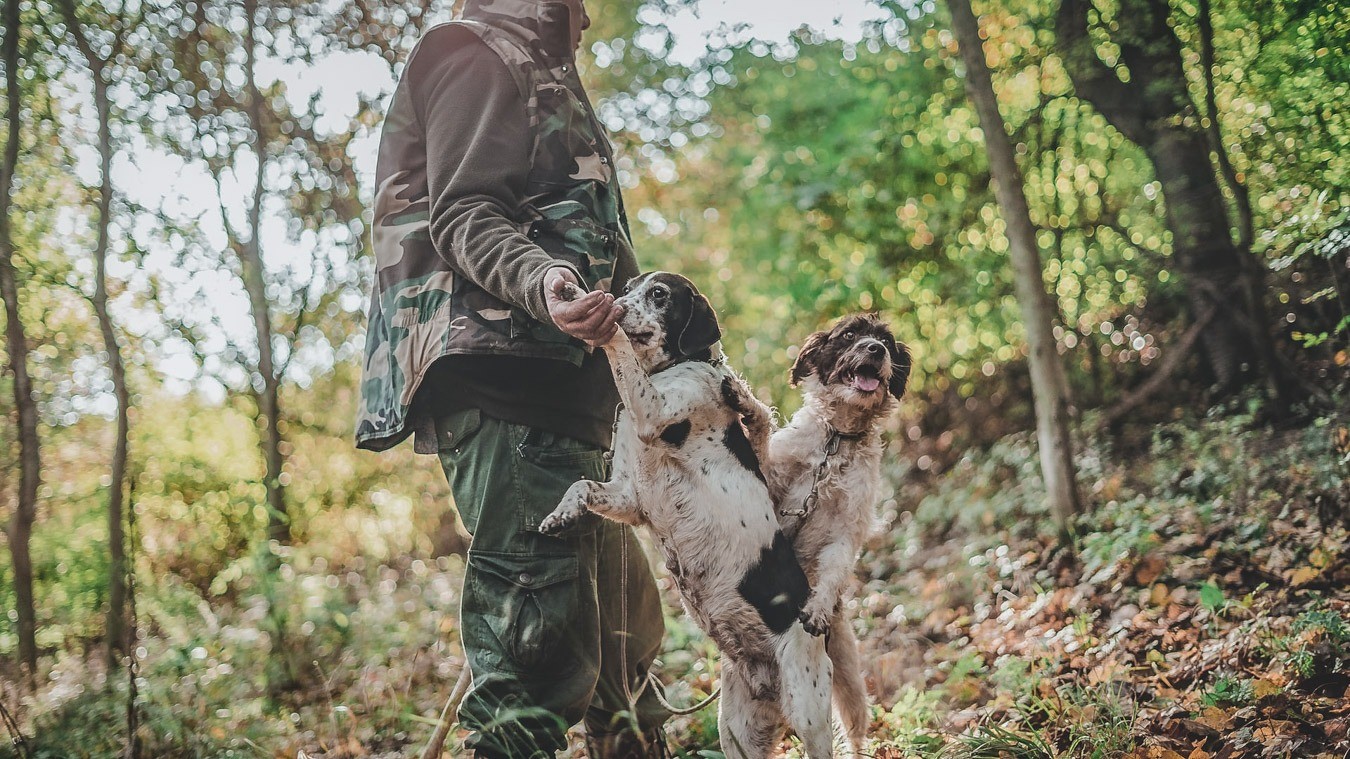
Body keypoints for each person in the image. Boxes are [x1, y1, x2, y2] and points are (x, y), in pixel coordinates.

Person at [354, 0, 669, 756]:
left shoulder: (544, 71)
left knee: (625, 661)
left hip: (575, 405)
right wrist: (547, 281)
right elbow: (463, 211)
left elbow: (604, 249)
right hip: (511, 391)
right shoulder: (471, 51)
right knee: (537, 669)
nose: (589, 15)